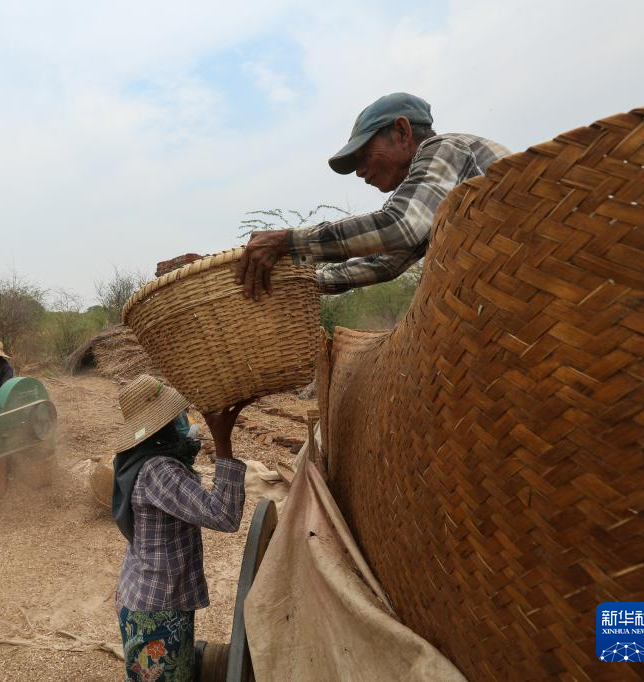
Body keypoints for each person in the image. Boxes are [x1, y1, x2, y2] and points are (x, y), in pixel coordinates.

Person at [236, 92, 511, 300]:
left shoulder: (445, 148)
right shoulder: (430, 196)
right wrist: (298, 282)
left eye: (364, 156)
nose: (359, 172)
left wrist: (286, 242)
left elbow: (397, 227)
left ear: (402, 132)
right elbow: (385, 263)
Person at [112, 374, 250, 681]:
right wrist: (223, 439)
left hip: (142, 593)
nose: (182, 419)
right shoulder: (159, 471)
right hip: (157, 610)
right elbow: (224, 515)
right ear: (162, 425)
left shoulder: (137, 459)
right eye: (175, 416)